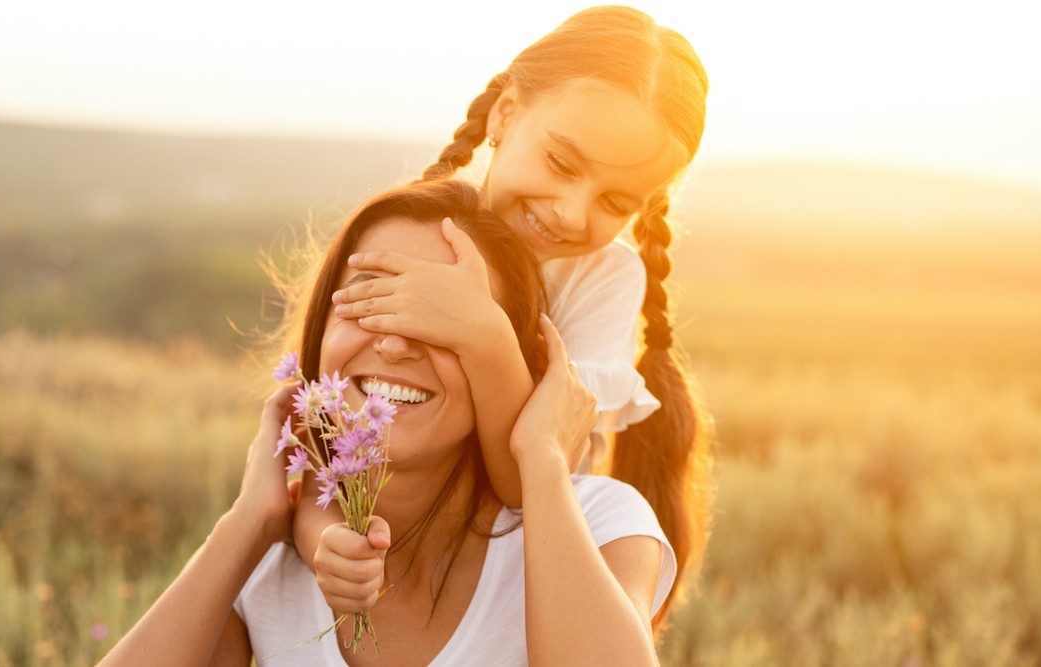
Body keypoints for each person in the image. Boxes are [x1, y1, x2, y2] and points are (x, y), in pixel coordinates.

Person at [97, 179, 675, 666]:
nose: (396, 343)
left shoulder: (599, 527)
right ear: (321, 332)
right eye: (369, 300)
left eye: (447, 320)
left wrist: (544, 457)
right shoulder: (267, 575)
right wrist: (249, 521)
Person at [298, 5, 713, 625]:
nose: (571, 212)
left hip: (515, 581)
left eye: (615, 201)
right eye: (562, 165)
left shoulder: (600, 282)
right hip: (391, 555)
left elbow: (526, 485)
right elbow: (324, 441)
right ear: (505, 114)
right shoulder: (411, 234)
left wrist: (485, 335)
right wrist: (322, 544)